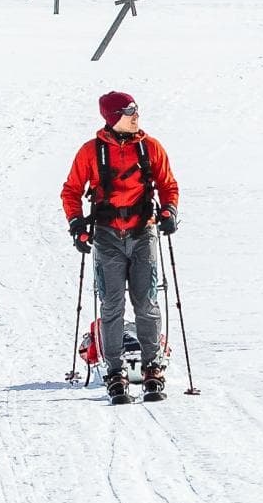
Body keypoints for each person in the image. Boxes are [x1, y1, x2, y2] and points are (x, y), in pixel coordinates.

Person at [63, 90, 180, 403]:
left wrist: (169, 211)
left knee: (147, 301)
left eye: (136, 108)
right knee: (112, 305)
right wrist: (77, 225)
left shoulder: (150, 147)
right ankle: (115, 371)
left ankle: (153, 366)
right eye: (129, 110)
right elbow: (71, 191)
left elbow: (168, 185)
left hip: (144, 233)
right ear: (113, 116)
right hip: (107, 236)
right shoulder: (91, 152)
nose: (135, 114)